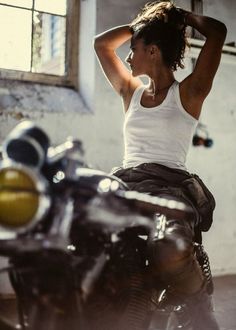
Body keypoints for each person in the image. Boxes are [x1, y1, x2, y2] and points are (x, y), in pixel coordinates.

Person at [94, 1, 227, 329]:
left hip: (169, 187)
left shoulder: (189, 93)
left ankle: (196, 296)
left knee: (171, 249)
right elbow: (101, 44)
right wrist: (143, 24)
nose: (127, 55)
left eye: (134, 47)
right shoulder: (130, 92)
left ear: (153, 51)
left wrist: (180, 18)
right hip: (127, 183)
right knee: (86, 239)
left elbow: (218, 32)